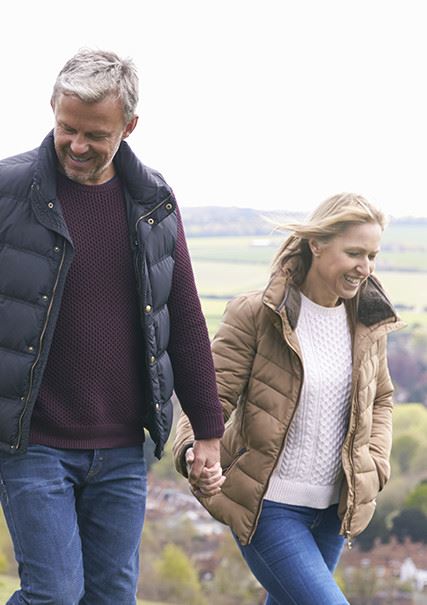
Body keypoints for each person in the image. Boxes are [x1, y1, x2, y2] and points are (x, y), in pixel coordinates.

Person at [0, 48, 224, 605]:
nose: (77, 146)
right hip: (32, 443)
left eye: (95, 134)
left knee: (112, 597)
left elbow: (187, 320)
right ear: (53, 111)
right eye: (66, 128)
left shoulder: (152, 200)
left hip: (122, 447)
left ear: (129, 126)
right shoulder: (8, 192)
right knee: (54, 594)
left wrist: (209, 434)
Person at [174, 193, 405, 605]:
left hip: (334, 511)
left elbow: (381, 399)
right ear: (316, 244)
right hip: (268, 507)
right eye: (354, 253)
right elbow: (209, 394)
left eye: (372, 255)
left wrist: (375, 463)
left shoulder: (368, 322)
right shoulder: (257, 314)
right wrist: (194, 450)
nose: (365, 268)